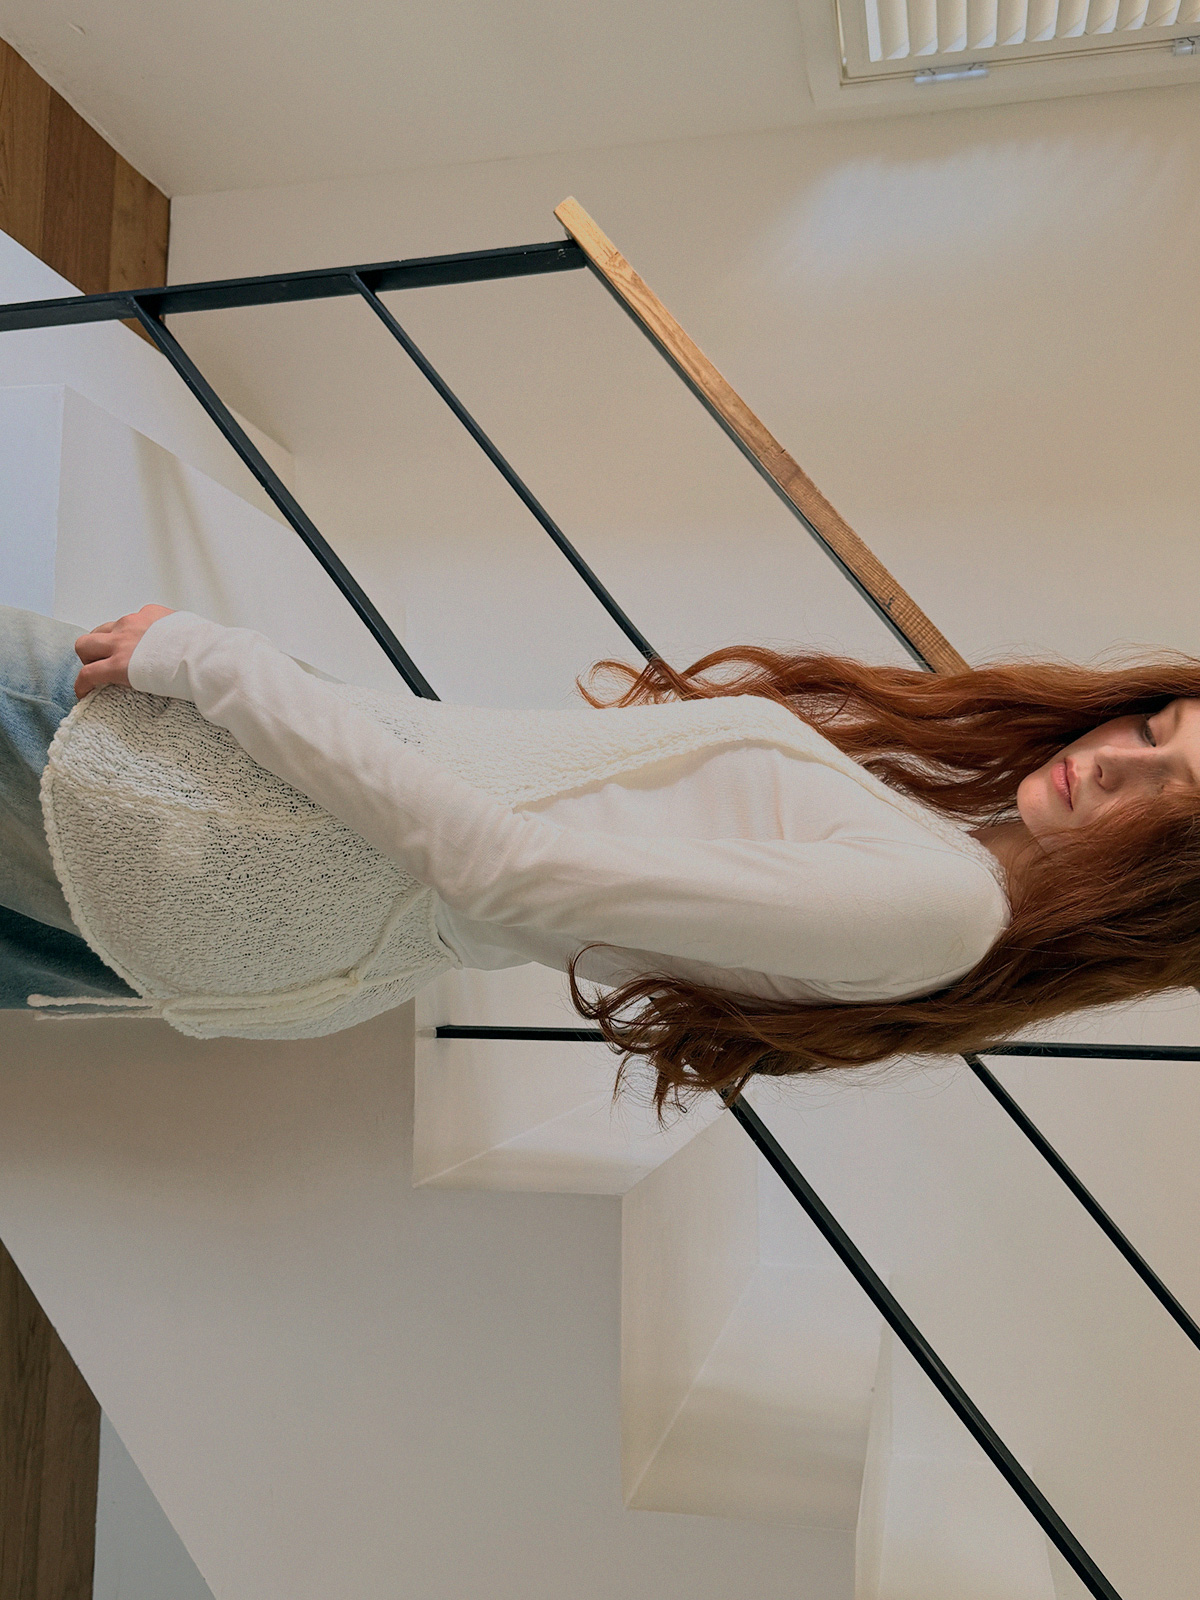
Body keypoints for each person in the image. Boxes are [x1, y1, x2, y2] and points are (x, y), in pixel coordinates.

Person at [4, 600, 1200, 1111]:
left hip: (257, 828)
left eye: (1169, 798)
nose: (1114, 764)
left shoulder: (942, 907)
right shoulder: (944, 854)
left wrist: (222, 666)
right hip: (282, 828)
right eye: (1151, 729)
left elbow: (503, 870)